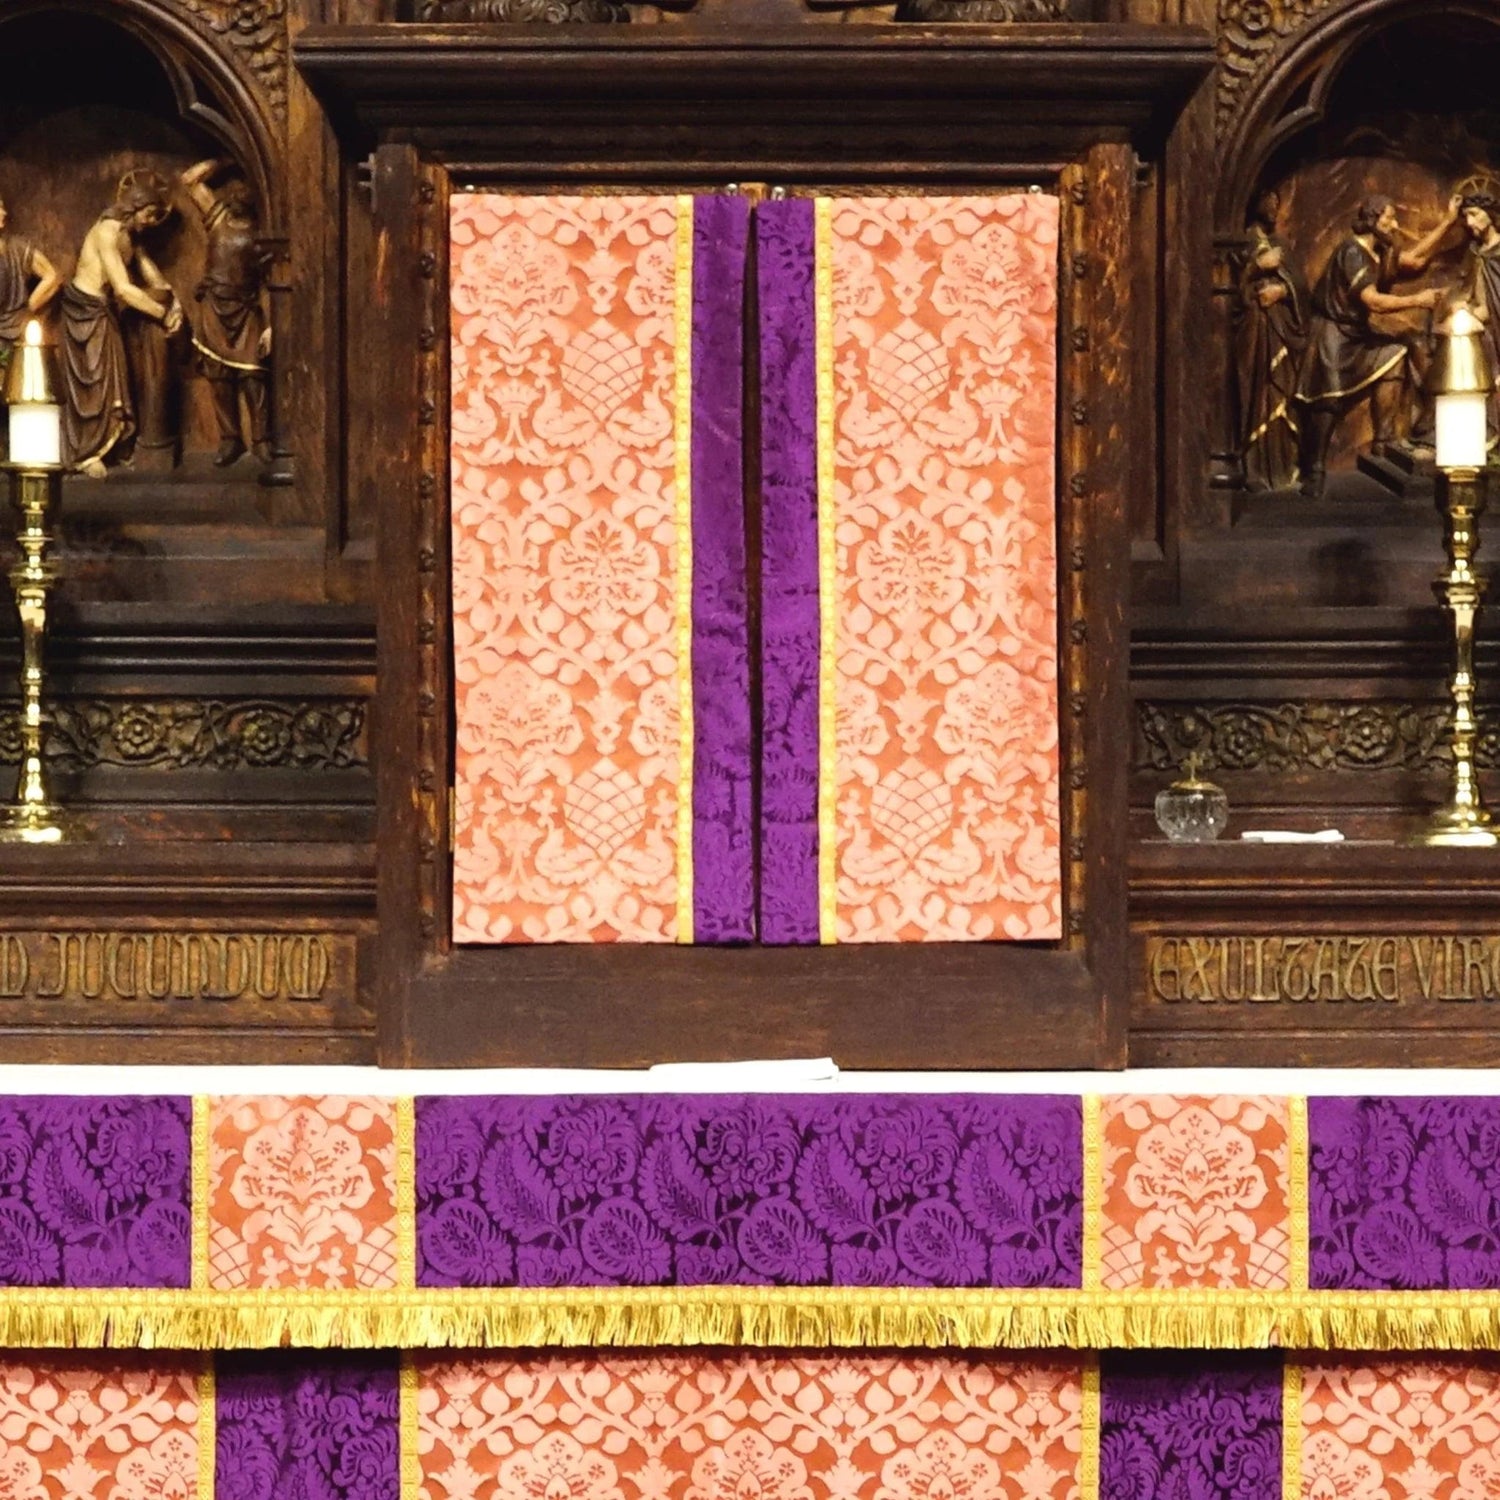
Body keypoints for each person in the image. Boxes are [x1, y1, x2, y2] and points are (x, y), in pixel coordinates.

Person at [1294, 194, 1453, 497]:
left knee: (1394, 355)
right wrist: (1418, 300)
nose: (1394, 224)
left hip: (1357, 333)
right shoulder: (1352, 251)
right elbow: (1374, 301)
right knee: (1328, 399)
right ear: (1371, 219)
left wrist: (1447, 221)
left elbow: (1414, 260)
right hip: (1333, 333)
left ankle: (1383, 439)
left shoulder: (1379, 250)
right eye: (1389, 218)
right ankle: (1313, 468)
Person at [60, 170, 183, 478]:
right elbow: (124, 289)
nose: (151, 222)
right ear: (134, 207)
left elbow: (150, 271)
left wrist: (173, 300)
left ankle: (112, 445)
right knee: (93, 382)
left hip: (104, 311)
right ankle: (87, 453)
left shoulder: (131, 236)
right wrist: (162, 314)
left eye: (155, 216)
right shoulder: (107, 232)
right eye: (149, 214)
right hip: (84, 312)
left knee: (114, 380)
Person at [180, 159, 272, 466]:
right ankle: (230, 438)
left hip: (246, 308)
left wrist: (271, 325)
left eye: (246, 191)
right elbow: (190, 180)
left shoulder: (263, 232)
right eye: (235, 190)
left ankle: (261, 439)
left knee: (253, 375)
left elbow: (272, 281)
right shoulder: (218, 217)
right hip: (214, 305)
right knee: (218, 375)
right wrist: (231, 159)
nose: (238, 195)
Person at [1236, 189, 1307, 491]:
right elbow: (1228, 290)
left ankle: (1284, 465)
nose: (1273, 209)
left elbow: (1303, 287)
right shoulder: (1244, 242)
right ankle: (1253, 467)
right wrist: (1256, 268)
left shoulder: (1281, 245)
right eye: (1268, 202)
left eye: (1277, 204)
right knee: (1258, 393)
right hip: (1255, 331)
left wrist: (1283, 291)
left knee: (1281, 393)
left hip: (1281, 331)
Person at [0, 194, 62, 372]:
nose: (4, 213)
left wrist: (27, 307)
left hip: (16, 333)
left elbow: (52, 277)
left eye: (2, 207)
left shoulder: (17, 248)